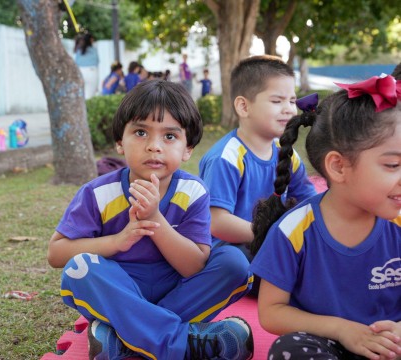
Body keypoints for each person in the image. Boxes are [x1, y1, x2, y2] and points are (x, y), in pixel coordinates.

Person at [48, 80, 254, 360]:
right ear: (120, 142)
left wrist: (154, 219)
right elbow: (57, 253)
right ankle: (180, 343)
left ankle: (125, 337)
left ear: (187, 148)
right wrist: (118, 241)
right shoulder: (98, 193)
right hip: (120, 291)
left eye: (170, 136)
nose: (154, 146)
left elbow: (194, 266)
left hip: (179, 290)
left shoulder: (192, 191)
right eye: (141, 132)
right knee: (80, 269)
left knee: (235, 264)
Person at [250, 74, 401, 360]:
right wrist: (342, 330)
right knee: (289, 350)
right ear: (338, 166)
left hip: (391, 343)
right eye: (393, 164)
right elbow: (271, 313)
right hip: (328, 344)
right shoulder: (294, 230)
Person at [198, 55, 317, 297]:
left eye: (292, 100)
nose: (289, 109)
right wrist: (276, 235)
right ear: (243, 106)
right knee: (290, 277)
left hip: (272, 243)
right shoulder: (228, 157)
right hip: (234, 250)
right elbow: (217, 222)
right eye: (277, 100)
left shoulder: (286, 153)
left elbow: (310, 201)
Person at [74, 32, 99, 99]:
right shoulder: (94, 49)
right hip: (91, 71)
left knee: (81, 96)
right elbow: (97, 62)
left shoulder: (78, 50)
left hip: (80, 72)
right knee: (90, 96)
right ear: (90, 40)